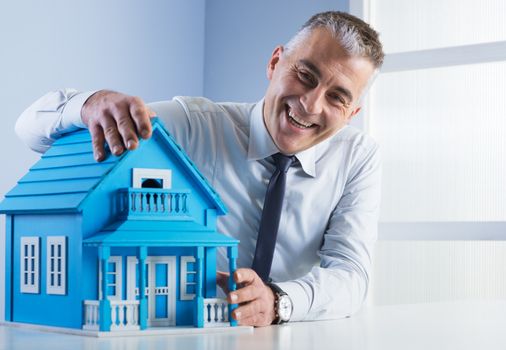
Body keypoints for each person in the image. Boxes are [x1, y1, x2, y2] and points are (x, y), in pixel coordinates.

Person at [15, 11, 384, 327]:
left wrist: (278, 301)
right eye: (305, 74)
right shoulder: (194, 124)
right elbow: (30, 129)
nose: (310, 103)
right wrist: (88, 105)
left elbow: (351, 276)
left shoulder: (357, 158)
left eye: (337, 97)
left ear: (352, 114)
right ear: (275, 63)